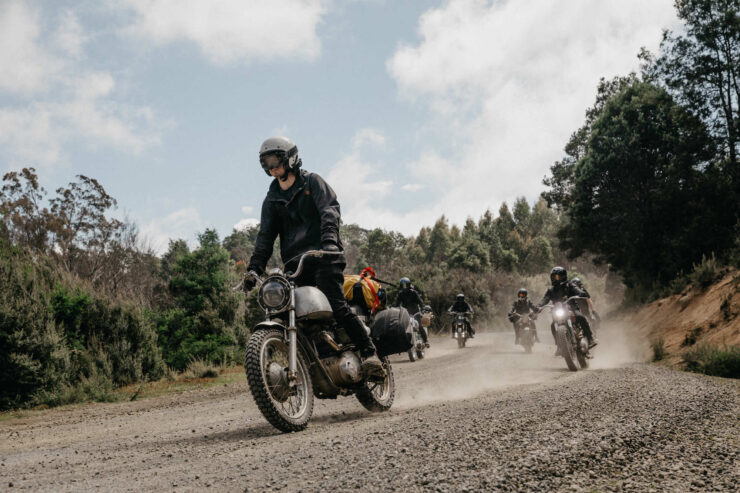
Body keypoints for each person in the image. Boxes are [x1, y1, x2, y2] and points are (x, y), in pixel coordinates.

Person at [242, 136, 383, 375]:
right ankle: (314, 360)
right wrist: (254, 268)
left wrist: (328, 242)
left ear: (290, 158)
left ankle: (370, 353)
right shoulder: (272, 200)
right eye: (266, 163)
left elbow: (330, 210)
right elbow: (265, 237)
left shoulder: (312, 182)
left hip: (324, 256)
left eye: (275, 160)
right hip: (295, 264)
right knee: (287, 311)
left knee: (336, 306)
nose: (272, 167)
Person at [537, 267, 598, 355]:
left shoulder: (570, 286)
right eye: (553, 277)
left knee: (581, 317)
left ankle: (590, 338)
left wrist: (581, 293)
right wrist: (538, 307)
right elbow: (544, 300)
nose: (554, 279)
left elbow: (577, 290)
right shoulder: (551, 290)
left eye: (556, 277)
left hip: (572, 309)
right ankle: (559, 347)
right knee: (553, 325)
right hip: (558, 311)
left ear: (563, 276)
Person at [395, 277, 429, 346]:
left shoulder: (413, 292)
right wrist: (396, 311)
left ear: (408, 284)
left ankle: (426, 341)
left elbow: (420, 302)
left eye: (405, 285)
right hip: (406, 313)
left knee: (419, 326)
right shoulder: (401, 294)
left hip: (415, 312)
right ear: (401, 286)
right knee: (403, 328)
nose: (404, 287)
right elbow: (397, 304)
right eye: (403, 285)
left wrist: (422, 308)